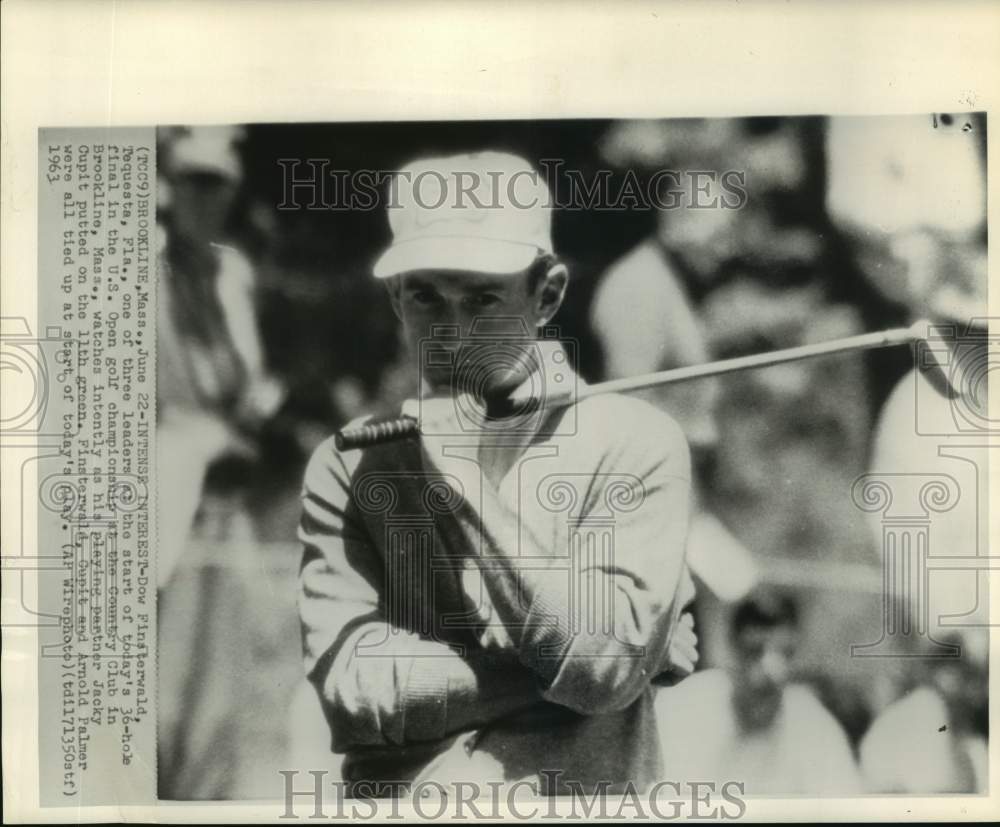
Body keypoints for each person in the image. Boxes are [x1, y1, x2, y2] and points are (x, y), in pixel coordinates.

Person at [297, 152, 698, 795]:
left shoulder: (636, 444)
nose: (451, 336)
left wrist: (459, 476)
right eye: (427, 296)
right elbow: (356, 695)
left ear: (547, 294)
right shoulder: (350, 463)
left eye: (483, 298)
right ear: (396, 297)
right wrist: (624, 664)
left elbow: (599, 672)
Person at [656, 590, 862, 794]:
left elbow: (845, 806)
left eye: (783, 653)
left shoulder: (815, 728)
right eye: (754, 651)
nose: (769, 669)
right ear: (732, 647)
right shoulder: (680, 707)